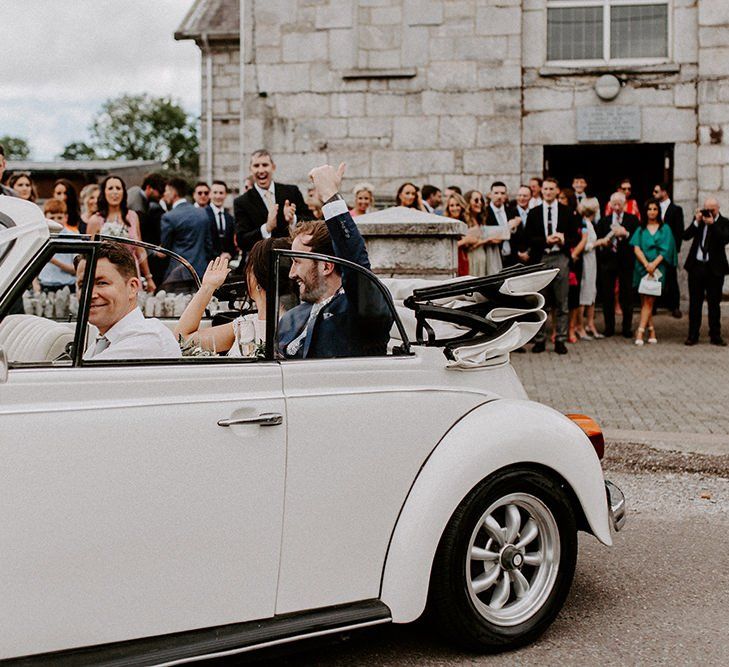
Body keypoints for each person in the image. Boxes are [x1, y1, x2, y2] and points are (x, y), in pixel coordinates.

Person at [279, 163, 393, 359]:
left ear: (326, 266)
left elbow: (357, 267)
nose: (291, 273)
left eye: (297, 262)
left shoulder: (362, 309)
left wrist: (331, 197)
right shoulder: (293, 316)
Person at [174, 238, 293, 357]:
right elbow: (181, 341)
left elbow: (182, 341)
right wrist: (207, 287)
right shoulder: (245, 324)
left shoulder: (249, 325)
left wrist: (208, 288)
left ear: (255, 278)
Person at [75, 242, 181, 361]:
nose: (90, 294)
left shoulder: (147, 339)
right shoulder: (105, 339)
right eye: (82, 285)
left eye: (102, 283)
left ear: (132, 287)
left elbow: (84, 378)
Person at [524, 177, 580, 354]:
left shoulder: (566, 211)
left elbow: (575, 237)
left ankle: (560, 339)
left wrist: (563, 239)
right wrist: (544, 240)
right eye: (545, 189)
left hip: (560, 257)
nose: (548, 192)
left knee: (562, 301)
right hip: (541, 257)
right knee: (540, 300)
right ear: (542, 191)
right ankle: (539, 339)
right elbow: (528, 237)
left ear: (557, 191)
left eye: (551, 189)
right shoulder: (534, 212)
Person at [86, 175, 156, 293]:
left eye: (118, 188)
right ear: (104, 192)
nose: (115, 192)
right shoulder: (95, 220)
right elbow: (90, 254)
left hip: (130, 271)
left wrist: (149, 277)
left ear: (124, 192)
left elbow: (140, 249)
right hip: (106, 272)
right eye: (110, 188)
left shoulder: (132, 216)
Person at [233, 149, 309, 255]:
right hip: (260, 263)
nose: (261, 170)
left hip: (291, 260)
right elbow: (242, 241)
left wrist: (293, 219)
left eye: (265, 165)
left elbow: (311, 222)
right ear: (250, 169)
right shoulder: (242, 202)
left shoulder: (292, 192)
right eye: (256, 166)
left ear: (273, 167)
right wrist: (267, 228)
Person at [630, 198, 677, 345]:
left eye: (655, 209)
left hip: (657, 268)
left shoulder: (665, 229)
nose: (652, 212)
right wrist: (646, 264)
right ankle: (651, 331)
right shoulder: (640, 229)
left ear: (659, 211)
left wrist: (653, 265)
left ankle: (640, 332)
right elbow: (636, 247)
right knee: (644, 300)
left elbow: (667, 249)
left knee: (650, 300)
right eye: (649, 209)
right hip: (641, 267)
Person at [683, 199, 729, 346]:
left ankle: (715, 335)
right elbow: (686, 236)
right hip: (696, 267)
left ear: (718, 208)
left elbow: (725, 239)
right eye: (706, 209)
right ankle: (693, 335)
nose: (708, 213)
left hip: (714, 269)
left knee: (714, 304)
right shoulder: (700, 221)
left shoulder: (724, 222)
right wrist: (696, 222)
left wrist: (712, 224)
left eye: (712, 210)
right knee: (695, 303)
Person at [595, 191, 640, 338]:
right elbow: (598, 240)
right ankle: (609, 327)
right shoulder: (604, 221)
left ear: (624, 204)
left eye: (619, 204)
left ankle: (627, 328)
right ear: (610, 204)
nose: (616, 207)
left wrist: (625, 234)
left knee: (627, 295)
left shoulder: (632, 220)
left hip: (626, 261)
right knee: (607, 295)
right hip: (608, 262)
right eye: (614, 204)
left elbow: (637, 239)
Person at [160, 177, 213, 291]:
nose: (164, 194)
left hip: (178, 273)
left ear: (174, 193)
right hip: (201, 271)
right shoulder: (202, 213)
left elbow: (165, 249)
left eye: (166, 191)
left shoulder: (169, 217)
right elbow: (209, 245)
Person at [575, 198, 605, 339]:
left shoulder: (590, 224)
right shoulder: (584, 224)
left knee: (592, 291)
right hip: (586, 261)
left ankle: (590, 324)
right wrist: (598, 243)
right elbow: (584, 245)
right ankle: (579, 326)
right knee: (584, 293)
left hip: (592, 261)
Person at [653, 182, 685, 318]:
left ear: (664, 192)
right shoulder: (652, 208)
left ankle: (675, 306)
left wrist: (675, 249)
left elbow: (679, 231)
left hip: (670, 249)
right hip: (655, 249)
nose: (653, 194)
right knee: (654, 276)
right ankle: (653, 306)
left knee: (672, 277)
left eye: (656, 191)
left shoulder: (676, 210)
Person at [38, 199, 78, 292]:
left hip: (67, 286)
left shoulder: (73, 237)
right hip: (44, 285)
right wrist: (36, 285)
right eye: (52, 218)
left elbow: (76, 269)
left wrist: (53, 260)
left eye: (59, 218)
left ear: (66, 217)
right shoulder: (41, 237)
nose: (56, 221)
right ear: (45, 218)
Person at [485, 181, 517, 268]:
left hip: (512, 257)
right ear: (490, 194)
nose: (499, 196)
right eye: (496, 193)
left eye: (502, 193)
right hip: (493, 256)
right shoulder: (485, 213)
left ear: (506, 195)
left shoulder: (512, 211)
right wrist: (508, 227)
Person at [206, 180, 236, 260]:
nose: (218, 196)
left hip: (226, 262)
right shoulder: (203, 214)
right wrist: (218, 256)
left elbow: (231, 242)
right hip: (207, 263)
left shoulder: (230, 218)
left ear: (225, 195)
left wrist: (229, 254)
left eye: (221, 193)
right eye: (215, 192)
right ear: (210, 194)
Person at [462, 190, 489, 276]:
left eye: (481, 200)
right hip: (471, 258)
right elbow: (466, 245)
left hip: (482, 257)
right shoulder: (463, 220)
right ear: (468, 202)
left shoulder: (480, 220)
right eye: (476, 200)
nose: (480, 203)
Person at [445, 192, 470, 276]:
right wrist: (464, 241)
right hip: (452, 260)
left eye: (457, 205)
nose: (455, 208)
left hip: (465, 258)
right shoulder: (445, 223)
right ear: (448, 208)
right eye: (451, 205)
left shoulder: (466, 221)